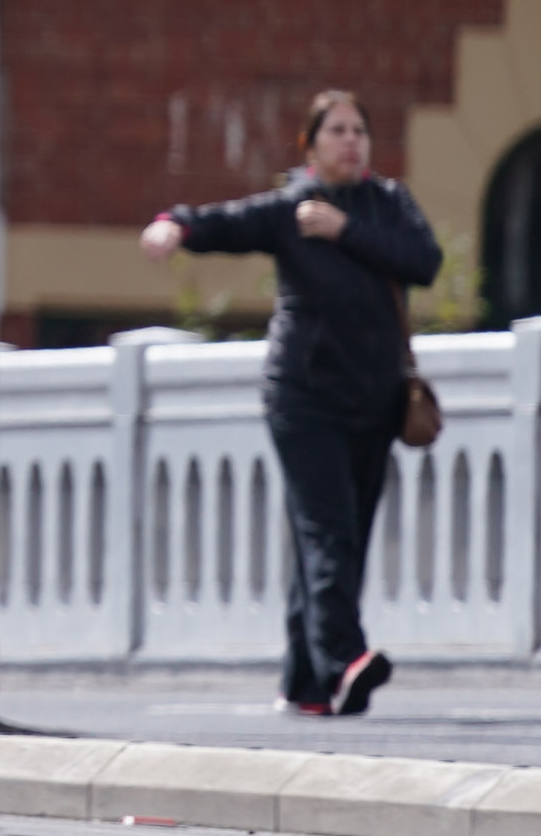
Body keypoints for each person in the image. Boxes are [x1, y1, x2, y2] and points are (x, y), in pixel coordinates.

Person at [141, 90, 438, 717]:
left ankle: (305, 684)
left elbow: (424, 261)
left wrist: (346, 230)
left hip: (376, 399)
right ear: (310, 145)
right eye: (337, 131)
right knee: (327, 531)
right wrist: (177, 224)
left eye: (359, 130)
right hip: (304, 400)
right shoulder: (290, 208)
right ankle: (346, 661)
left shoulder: (389, 204)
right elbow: (228, 223)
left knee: (344, 538)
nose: (351, 140)